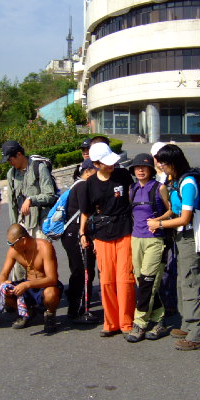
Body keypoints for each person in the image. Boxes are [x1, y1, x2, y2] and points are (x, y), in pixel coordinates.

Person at [148, 144, 200, 350]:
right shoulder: (175, 181)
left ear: (173, 163)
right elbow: (174, 210)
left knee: (191, 282)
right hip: (180, 237)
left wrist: (160, 224)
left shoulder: (188, 183)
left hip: (190, 237)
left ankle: (197, 334)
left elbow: (185, 218)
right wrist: (158, 219)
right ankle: (187, 324)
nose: (161, 167)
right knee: (183, 282)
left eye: (164, 163)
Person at [79, 141, 135, 337]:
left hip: (125, 230)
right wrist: (83, 233)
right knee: (107, 281)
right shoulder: (89, 184)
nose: (111, 165)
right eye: (106, 162)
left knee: (125, 279)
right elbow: (85, 212)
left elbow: (133, 197)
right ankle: (111, 323)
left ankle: (127, 322)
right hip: (102, 235)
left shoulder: (123, 175)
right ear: (96, 164)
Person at [126, 153, 173, 342]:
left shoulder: (159, 187)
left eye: (144, 167)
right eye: (137, 167)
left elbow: (171, 211)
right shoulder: (132, 189)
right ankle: (159, 320)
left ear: (151, 170)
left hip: (155, 240)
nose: (140, 170)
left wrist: (158, 221)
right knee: (143, 282)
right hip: (136, 239)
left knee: (147, 282)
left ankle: (139, 324)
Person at [0, 224, 63, 334]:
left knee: (51, 293)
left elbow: (52, 279)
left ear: (23, 240)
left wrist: (27, 285)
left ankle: (50, 314)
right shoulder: (14, 250)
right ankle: (27, 311)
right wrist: (4, 284)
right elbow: (3, 275)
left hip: (44, 284)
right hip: (28, 285)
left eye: (12, 244)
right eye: (9, 244)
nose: (11, 247)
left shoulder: (44, 247)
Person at [2, 140, 57, 279]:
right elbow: (12, 204)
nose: (9, 163)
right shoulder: (11, 174)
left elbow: (50, 195)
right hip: (22, 224)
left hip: (39, 223)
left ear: (19, 154)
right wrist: (14, 227)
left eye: (10, 159)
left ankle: (46, 289)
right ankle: (20, 289)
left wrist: (32, 199)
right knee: (19, 263)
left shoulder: (39, 168)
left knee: (42, 260)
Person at [62, 158, 99, 324]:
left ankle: (76, 309)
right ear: (88, 171)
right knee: (84, 273)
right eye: (96, 170)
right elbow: (86, 211)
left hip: (71, 234)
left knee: (78, 271)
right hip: (78, 234)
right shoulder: (84, 186)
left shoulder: (76, 185)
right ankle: (79, 311)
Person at [151, 141, 178, 316]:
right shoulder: (150, 176)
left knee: (170, 266)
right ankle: (157, 301)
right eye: (157, 157)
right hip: (155, 229)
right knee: (156, 266)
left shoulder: (172, 178)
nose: (160, 161)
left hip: (170, 226)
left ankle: (169, 302)